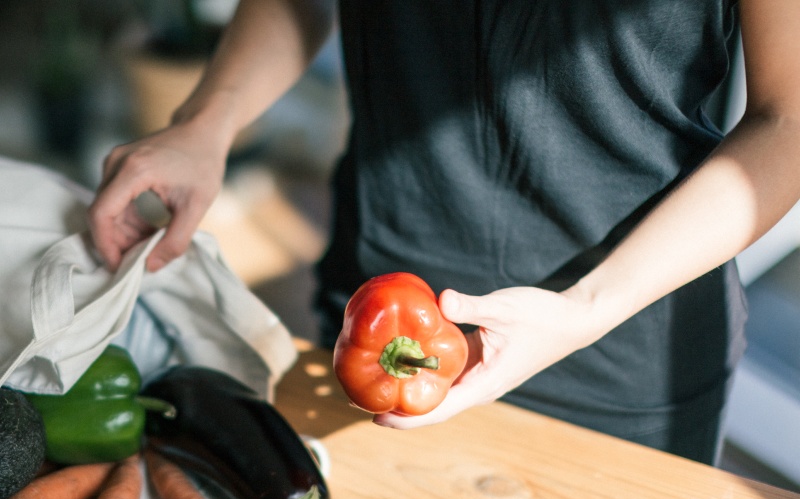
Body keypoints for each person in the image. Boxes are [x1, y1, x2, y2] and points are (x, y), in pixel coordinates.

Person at [87, 0, 800, 465]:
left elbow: (789, 122)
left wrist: (584, 311)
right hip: (376, 319)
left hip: (625, 343)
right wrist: (206, 125)